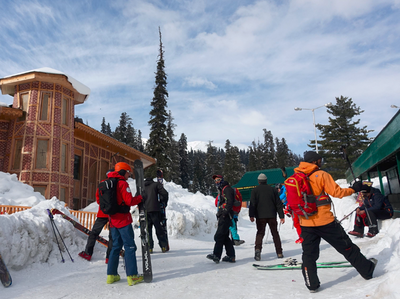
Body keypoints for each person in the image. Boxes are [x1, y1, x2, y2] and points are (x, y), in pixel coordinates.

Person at [297, 151, 377, 293]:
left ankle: (312, 285)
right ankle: (367, 270)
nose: (321, 162)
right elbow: (337, 193)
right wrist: (354, 188)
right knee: (346, 247)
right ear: (315, 161)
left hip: (306, 222)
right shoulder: (321, 175)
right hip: (325, 221)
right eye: (320, 160)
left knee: (309, 255)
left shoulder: (296, 177)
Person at [106, 162, 144, 286]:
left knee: (115, 247)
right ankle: (132, 276)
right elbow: (129, 201)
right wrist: (139, 198)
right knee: (130, 247)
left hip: (113, 221)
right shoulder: (122, 183)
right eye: (128, 172)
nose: (129, 175)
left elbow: (98, 200)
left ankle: (111, 276)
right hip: (123, 220)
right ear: (123, 171)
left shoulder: (107, 183)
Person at [78, 169, 114, 263]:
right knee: (112, 236)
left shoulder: (102, 184)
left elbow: (98, 198)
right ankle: (109, 257)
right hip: (113, 214)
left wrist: (104, 206)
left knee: (94, 233)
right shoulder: (116, 184)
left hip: (102, 213)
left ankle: (88, 253)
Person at [249, 174, 285, 261]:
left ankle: (258, 250)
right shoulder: (273, 190)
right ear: (266, 180)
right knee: (275, 233)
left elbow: (252, 204)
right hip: (272, 215)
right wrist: (281, 216)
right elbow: (278, 204)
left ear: (258, 181)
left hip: (260, 216)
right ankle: (279, 252)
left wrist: (251, 215)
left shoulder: (255, 190)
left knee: (260, 233)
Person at [206, 174, 236, 263]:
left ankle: (216, 255)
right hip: (224, 215)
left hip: (226, 216)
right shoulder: (222, 189)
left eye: (218, 180)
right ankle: (231, 256)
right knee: (225, 237)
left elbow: (230, 202)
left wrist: (224, 213)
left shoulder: (227, 189)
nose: (217, 182)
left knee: (219, 236)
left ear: (222, 179)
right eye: (215, 181)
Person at [144, 176, 169, 253]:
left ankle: (149, 247)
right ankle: (163, 246)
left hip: (145, 211)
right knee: (159, 228)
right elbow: (165, 193)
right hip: (155, 209)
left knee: (148, 230)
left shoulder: (141, 186)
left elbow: (137, 196)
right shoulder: (156, 185)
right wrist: (163, 202)